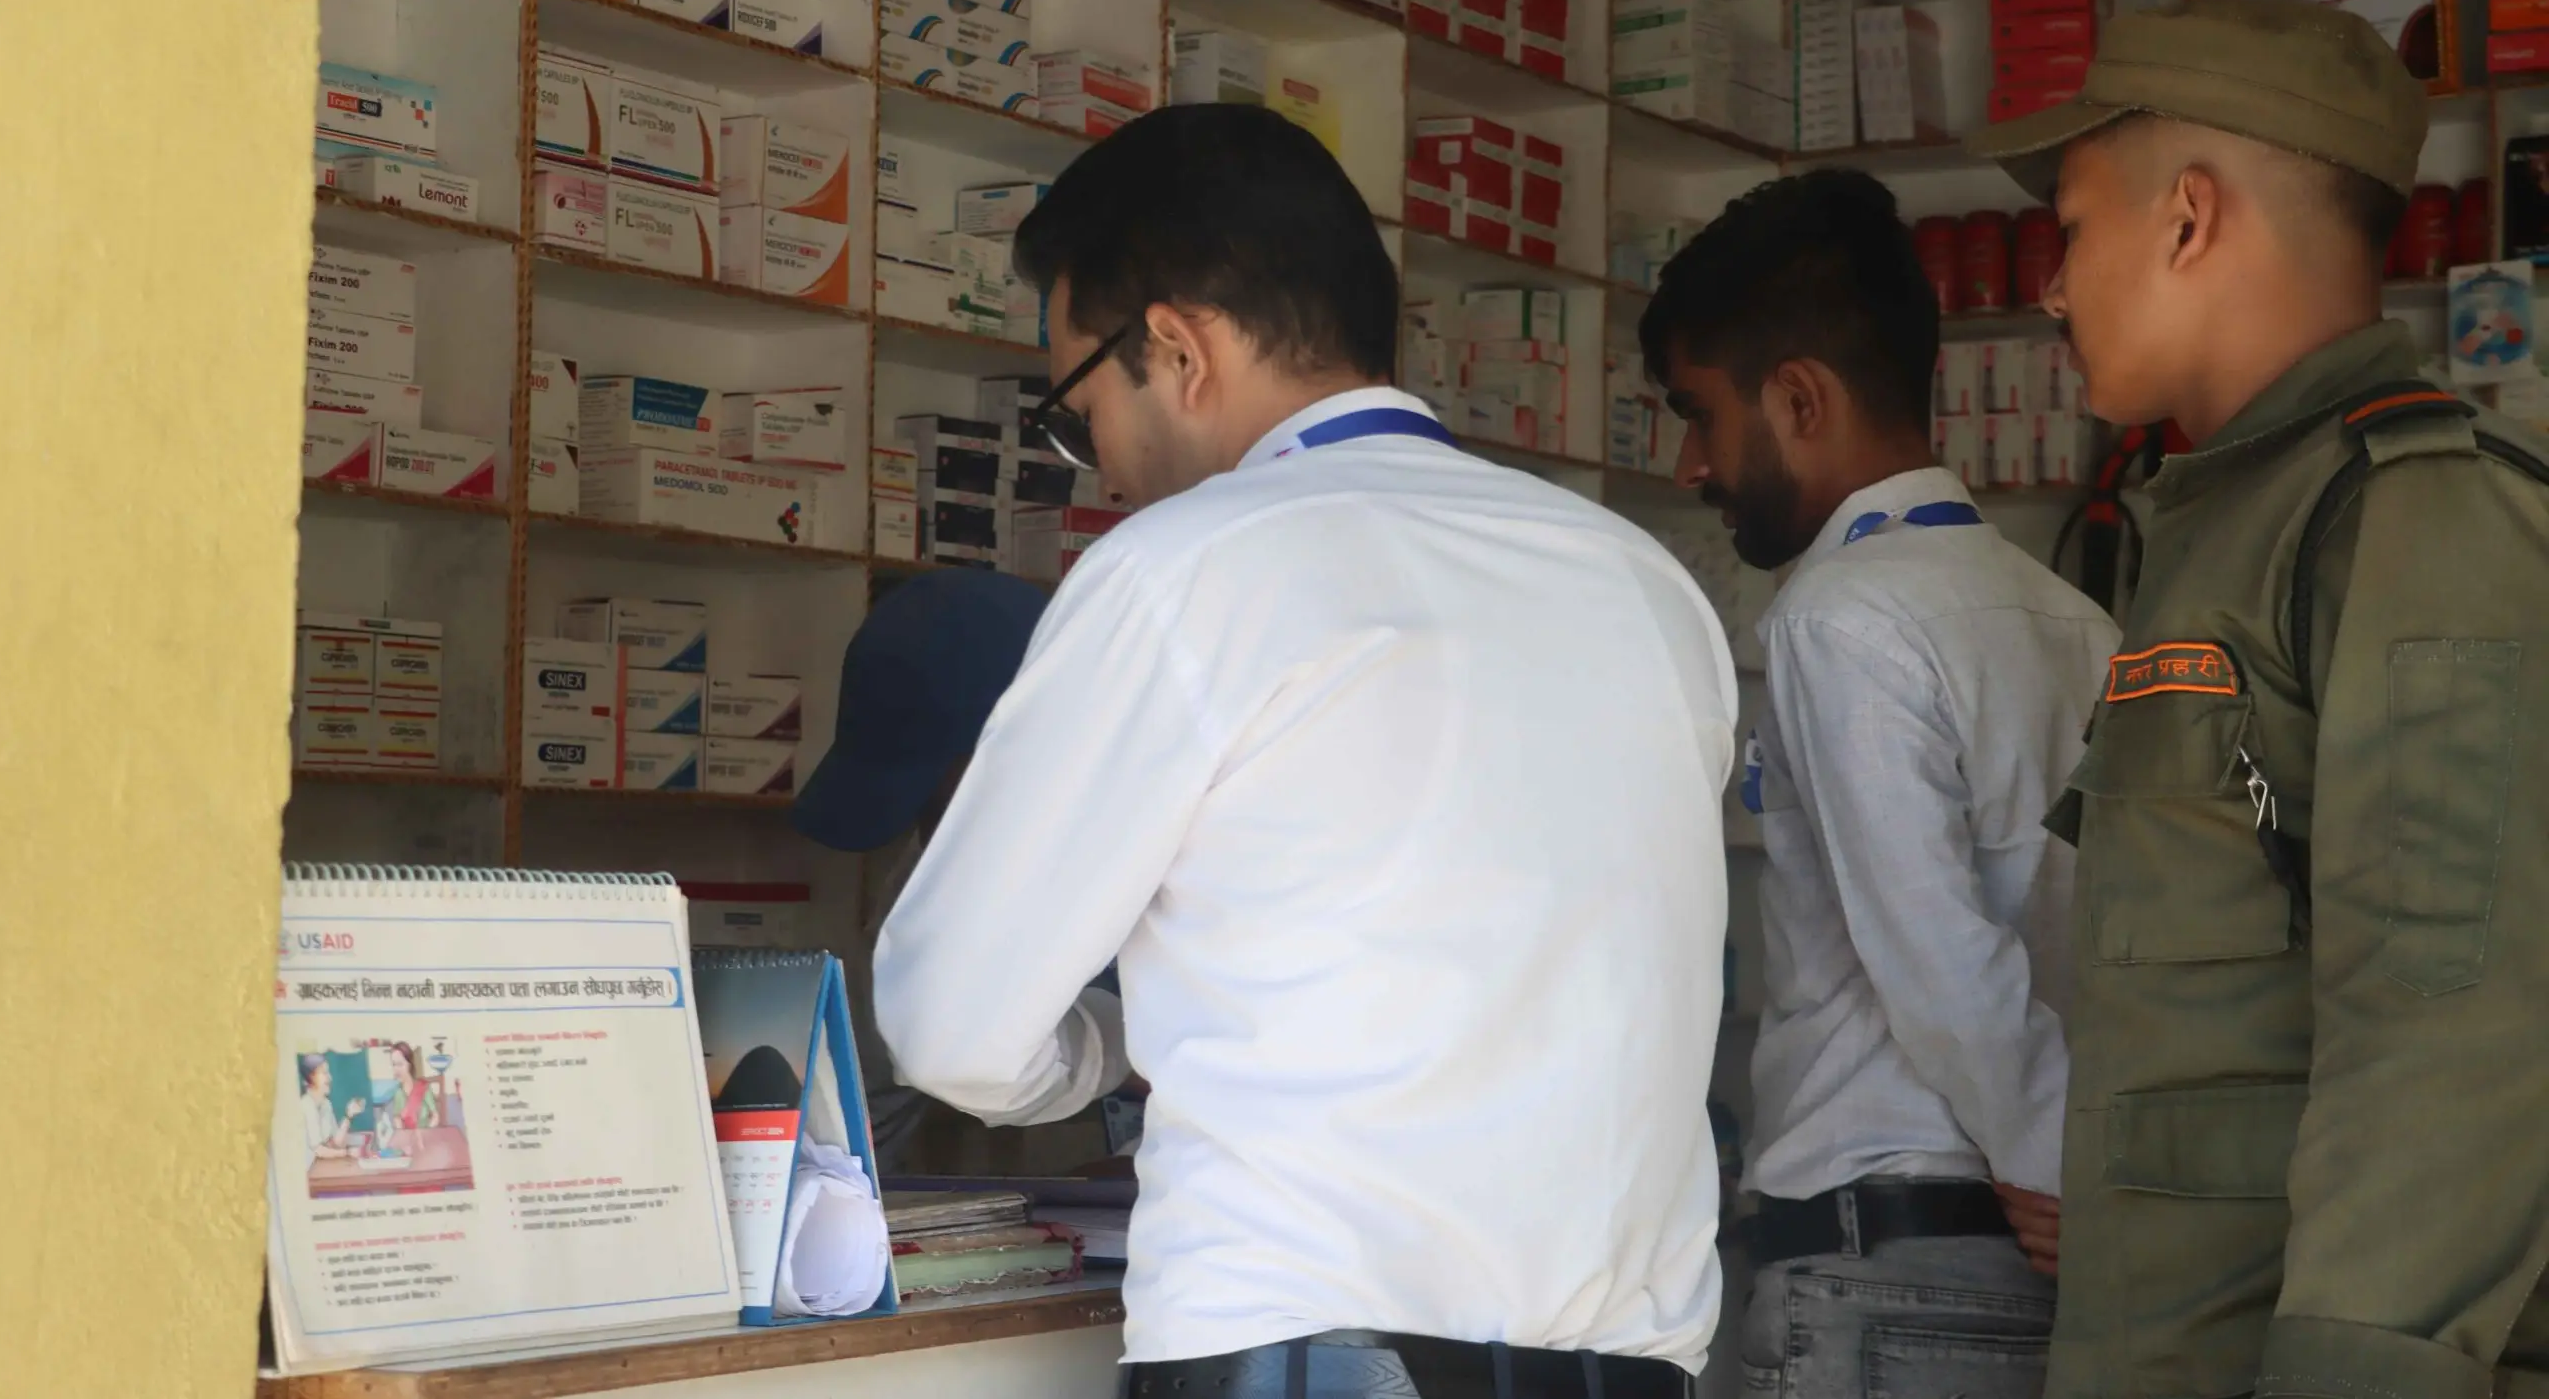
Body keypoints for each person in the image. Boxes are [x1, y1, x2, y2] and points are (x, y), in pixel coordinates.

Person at [874, 103, 1741, 1398]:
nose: (1099, 466)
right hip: (1628, 1366)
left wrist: (1115, 1046)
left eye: (1078, 411)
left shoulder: (1185, 568)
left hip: (1310, 1348)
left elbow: (952, 1024)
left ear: (1177, 347)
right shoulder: (1642, 583)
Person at [1968, 0, 2549, 1396]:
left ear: (2188, 218)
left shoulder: (2413, 513)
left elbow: (2449, 1022)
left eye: (2072, 230)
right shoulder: (2224, 525)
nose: (2052, 289)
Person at [1640, 170, 2118, 1397]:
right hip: (2040, 1263)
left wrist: (2054, 1160)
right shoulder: (2073, 620)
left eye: (1698, 414)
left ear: (1799, 398)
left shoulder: (1840, 618)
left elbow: (1935, 950)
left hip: (1893, 1268)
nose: (1690, 465)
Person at [790, 568, 1058, 1169]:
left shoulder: (1208, 836)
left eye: (940, 799)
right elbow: (852, 1126)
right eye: (920, 808)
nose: (934, 837)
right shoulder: (926, 891)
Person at [299, 1054, 363, 1163]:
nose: (329, 1078)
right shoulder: (306, 1105)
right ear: (311, 1077)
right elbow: (318, 1151)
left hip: (320, 1165)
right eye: (324, 1073)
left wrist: (349, 1115)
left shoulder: (326, 1104)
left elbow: (336, 1142)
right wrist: (347, 1152)